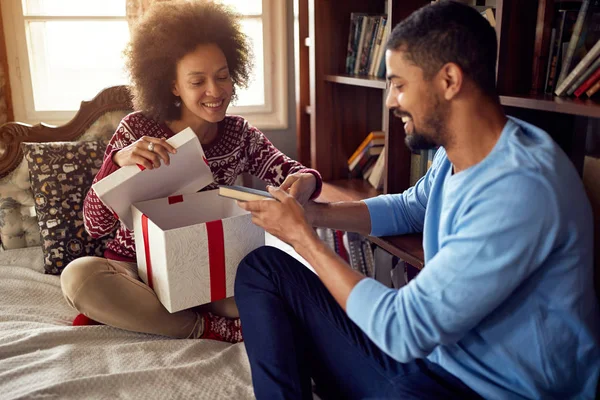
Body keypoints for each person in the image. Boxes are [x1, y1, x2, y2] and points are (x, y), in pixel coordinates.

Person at [234, 1, 600, 398]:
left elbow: (402, 331)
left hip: (482, 390)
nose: (391, 100)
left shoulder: (521, 189)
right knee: (263, 270)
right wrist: (315, 213)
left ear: (448, 80)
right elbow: (411, 207)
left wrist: (302, 237)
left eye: (400, 84)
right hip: (432, 364)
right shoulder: (459, 151)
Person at [60, 0, 322, 344]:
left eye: (223, 76)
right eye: (197, 81)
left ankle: (141, 315)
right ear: (173, 86)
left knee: (273, 292)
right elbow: (95, 227)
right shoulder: (135, 129)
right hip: (134, 269)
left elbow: (294, 173)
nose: (215, 91)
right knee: (79, 278)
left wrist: (307, 181)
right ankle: (206, 327)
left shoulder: (240, 134)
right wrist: (118, 163)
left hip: (203, 272)